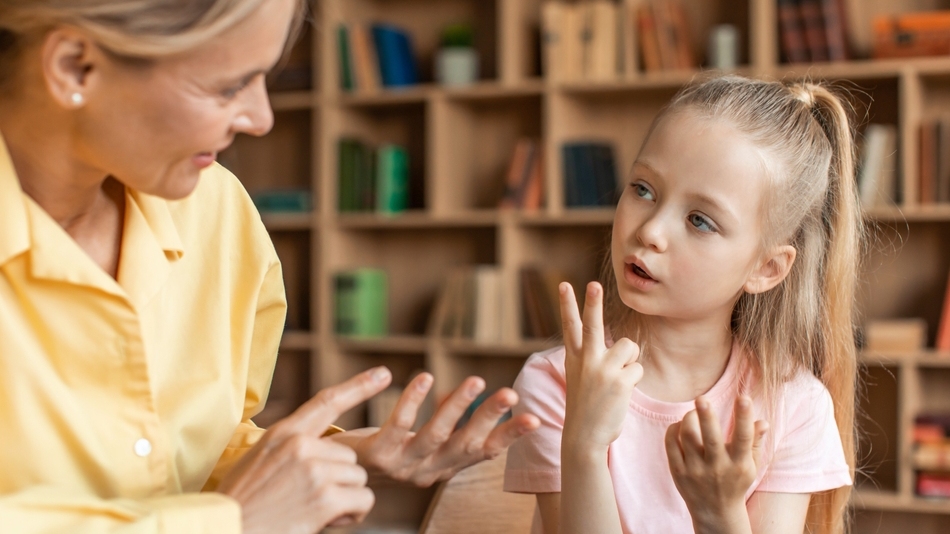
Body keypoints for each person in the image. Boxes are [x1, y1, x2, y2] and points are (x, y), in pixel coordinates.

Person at [0, 1, 540, 533]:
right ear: (75, 66)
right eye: (228, 85)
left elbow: (189, 450)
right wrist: (233, 523)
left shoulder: (214, 208)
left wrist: (333, 458)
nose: (261, 119)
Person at [504, 74, 861, 534]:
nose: (650, 230)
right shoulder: (557, 382)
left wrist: (720, 514)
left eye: (699, 220)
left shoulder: (794, 405)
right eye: (643, 189)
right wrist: (585, 447)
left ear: (766, 269)